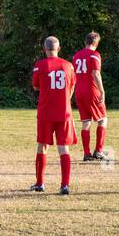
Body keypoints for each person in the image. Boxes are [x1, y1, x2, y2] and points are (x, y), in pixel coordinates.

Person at [31, 36, 76, 195]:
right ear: (59, 48)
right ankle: (64, 185)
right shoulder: (68, 66)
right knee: (63, 148)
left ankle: (40, 183)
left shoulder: (39, 66)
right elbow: (72, 86)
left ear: (44, 49)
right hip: (64, 112)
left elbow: (36, 86)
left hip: (45, 112)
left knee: (42, 146)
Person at [72, 32, 108, 162]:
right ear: (96, 43)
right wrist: (102, 91)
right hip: (92, 91)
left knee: (86, 122)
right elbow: (96, 74)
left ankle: (87, 153)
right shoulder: (95, 55)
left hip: (79, 92)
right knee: (103, 120)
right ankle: (98, 151)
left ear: (85, 42)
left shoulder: (76, 56)